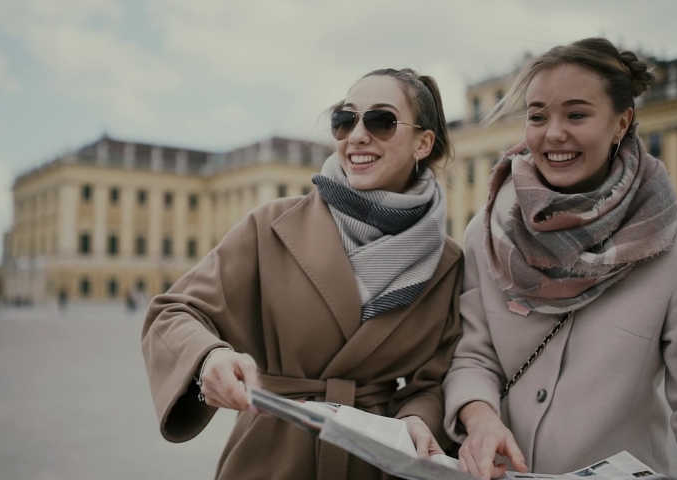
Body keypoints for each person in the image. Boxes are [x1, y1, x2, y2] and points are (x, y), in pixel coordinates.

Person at [442, 38, 677, 480]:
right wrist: (481, 421)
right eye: (537, 116)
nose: (553, 133)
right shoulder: (486, 234)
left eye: (576, 114)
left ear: (622, 122)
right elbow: (474, 357)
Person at [141, 68, 463, 480]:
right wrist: (210, 357)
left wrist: (420, 417)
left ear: (424, 142)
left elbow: (436, 379)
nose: (357, 135)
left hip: (379, 463)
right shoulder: (272, 224)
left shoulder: (447, 262)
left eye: (381, 121)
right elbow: (174, 312)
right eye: (345, 120)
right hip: (270, 456)